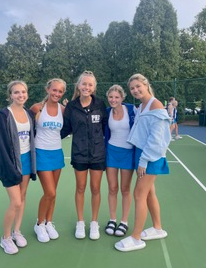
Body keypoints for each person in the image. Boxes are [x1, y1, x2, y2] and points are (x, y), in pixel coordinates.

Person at [115, 73, 171, 252]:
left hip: (150, 156)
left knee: (139, 194)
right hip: (142, 153)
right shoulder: (140, 107)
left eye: (138, 86)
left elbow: (157, 139)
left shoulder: (156, 105)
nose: (135, 90)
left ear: (146, 85)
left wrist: (144, 161)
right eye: (132, 88)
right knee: (148, 192)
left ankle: (136, 237)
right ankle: (157, 228)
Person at [61, 70, 108, 240]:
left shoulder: (100, 105)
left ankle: (94, 223)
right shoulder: (71, 107)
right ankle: (80, 222)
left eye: (90, 84)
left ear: (94, 87)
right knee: (80, 188)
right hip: (79, 154)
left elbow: (106, 128)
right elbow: (65, 129)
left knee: (95, 188)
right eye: (84, 84)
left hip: (97, 154)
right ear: (78, 86)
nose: (86, 87)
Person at [0, 80, 36, 255]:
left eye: (23, 92)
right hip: (10, 163)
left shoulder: (28, 113)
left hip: (27, 160)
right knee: (16, 201)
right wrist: (10, 167)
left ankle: (16, 231)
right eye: (16, 92)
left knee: (23, 196)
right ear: (10, 95)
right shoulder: (4, 114)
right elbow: (2, 145)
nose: (21, 95)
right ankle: (5, 238)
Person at [30, 78, 66, 243]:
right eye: (54, 90)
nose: (57, 93)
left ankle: (48, 222)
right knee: (49, 192)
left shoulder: (63, 109)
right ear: (48, 89)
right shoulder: (37, 108)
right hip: (41, 152)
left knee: (53, 193)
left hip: (57, 152)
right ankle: (39, 224)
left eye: (60, 91)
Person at [104, 85, 136, 237]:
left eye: (116, 97)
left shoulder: (132, 110)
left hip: (128, 153)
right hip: (111, 152)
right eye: (111, 97)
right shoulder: (107, 112)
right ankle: (112, 219)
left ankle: (124, 221)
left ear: (122, 98)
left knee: (125, 189)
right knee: (112, 188)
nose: (113, 100)